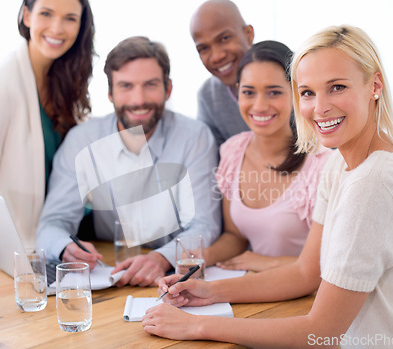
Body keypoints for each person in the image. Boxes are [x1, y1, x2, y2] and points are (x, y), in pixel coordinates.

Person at [141, 25, 393, 347]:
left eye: (337, 87)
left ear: (374, 86)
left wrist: (196, 327)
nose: (319, 107)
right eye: (308, 92)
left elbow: (322, 332)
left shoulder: (374, 183)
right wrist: (208, 291)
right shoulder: (342, 163)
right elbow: (304, 273)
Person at [36, 36, 221, 287]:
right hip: (107, 271)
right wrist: (65, 247)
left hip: (172, 277)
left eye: (150, 85)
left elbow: (204, 225)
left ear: (168, 89)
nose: (138, 99)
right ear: (110, 93)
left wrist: (161, 258)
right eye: (126, 86)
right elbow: (53, 222)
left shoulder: (195, 137)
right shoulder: (82, 140)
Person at [0, 0, 95, 274]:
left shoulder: (67, 76)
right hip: (30, 239)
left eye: (70, 18)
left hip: (73, 230)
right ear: (27, 16)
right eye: (46, 14)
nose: (57, 28)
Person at [206, 41, 332, 272]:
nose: (259, 105)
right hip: (256, 292)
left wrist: (268, 263)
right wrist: (199, 258)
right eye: (248, 92)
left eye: (273, 92)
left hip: (308, 298)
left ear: (296, 93)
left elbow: (337, 262)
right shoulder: (233, 151)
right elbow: (235, 236)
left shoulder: (322, 165)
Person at [190, 0, 254, 148]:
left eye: (224, 39)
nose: (217, 56)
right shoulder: (208, 96)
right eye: (204, 48)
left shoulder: (293, 74)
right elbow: (216, 163)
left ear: (248, 35)